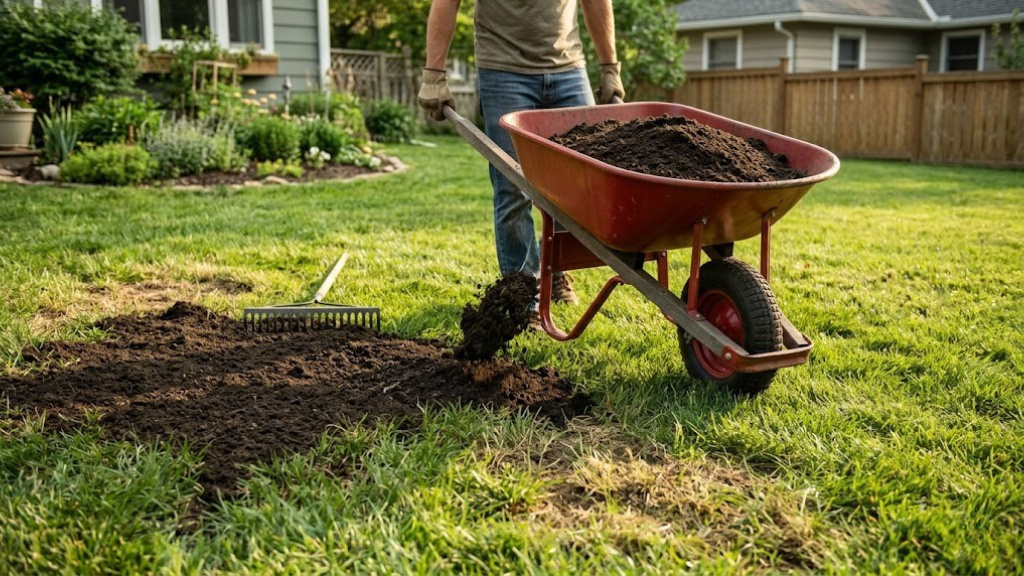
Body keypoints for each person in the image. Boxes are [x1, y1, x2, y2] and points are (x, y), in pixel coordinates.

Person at [418, 0, 624, 305]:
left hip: (569, 68)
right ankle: (522, 293)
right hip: (503, 71)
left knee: (580, 185)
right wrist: (434, 73)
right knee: (513, 186)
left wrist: (610, 67)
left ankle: (554, 269)